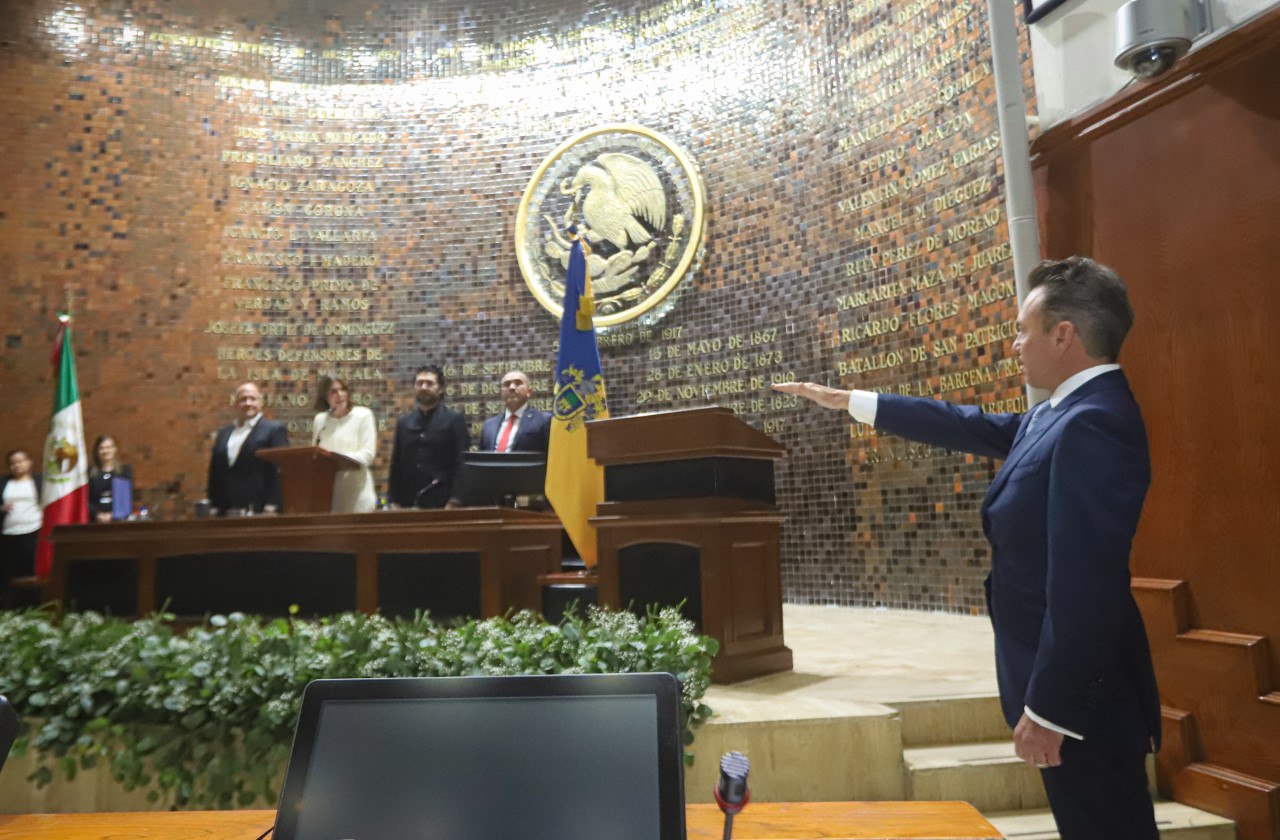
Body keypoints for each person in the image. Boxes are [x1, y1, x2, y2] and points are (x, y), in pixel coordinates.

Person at [775, 256, 1161, 840]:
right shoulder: (1057, 414)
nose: (1013, 345)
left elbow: (1087, 584)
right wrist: (850, 400)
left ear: (1064, 336)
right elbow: (966, 423)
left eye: (1022, 331)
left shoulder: (1095, 423)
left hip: (1086, 705)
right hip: (1072, 694)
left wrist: (1052, 708)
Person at [388, 364, 470, 509]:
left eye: (429, 383)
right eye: (419, 383)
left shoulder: (454, 419)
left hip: (442, 503)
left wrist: (455, 501)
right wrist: (393, 501)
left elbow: (462, 464)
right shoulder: (404, 422)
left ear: (440, 389)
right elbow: (396, 464)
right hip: (408, 503)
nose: (424, 387)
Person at [207, 381, 290, 516]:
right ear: (235, 404)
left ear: (260, 402)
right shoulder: (224, 433)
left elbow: (280, 470)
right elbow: (214, 472)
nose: (248, 403)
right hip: (225, 511)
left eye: (252, 398)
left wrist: (272, 505)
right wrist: (213, 504)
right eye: (243, 399)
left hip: (259, 510)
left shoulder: (273, 430)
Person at [312, 375, 377, 514]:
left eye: (343, 390)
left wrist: (335, 458)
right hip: (329, 497)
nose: (340, 395)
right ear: (325, 396)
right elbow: (315, 456)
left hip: (358, 497)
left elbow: (367, 455)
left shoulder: (363, 415)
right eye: (333, 391)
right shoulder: (320, 420)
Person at [1, 450, 42, 601]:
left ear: (29, 461)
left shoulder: (39, 480)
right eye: (13, 463)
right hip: (9, 533)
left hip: (34, 530)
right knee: (10, 572)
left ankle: (34, 603)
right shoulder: (4, 482)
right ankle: (12, 606)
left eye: (20, 461)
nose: (17, 465)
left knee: (31, 570)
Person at [478, 370, 552, 454]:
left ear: (529, 392)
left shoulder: (544, 420)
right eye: (507, 384)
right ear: (501, 392)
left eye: (518, 383)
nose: (511, 387)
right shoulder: (489, 425)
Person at [88, 435, 133, 522]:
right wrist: (97, 514)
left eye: (109, 447)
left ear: (115, 449)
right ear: (97, 451)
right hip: (95, 520)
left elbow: (126, 497)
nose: (105, 451)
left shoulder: (124, 471)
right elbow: (86, 499)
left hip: (119, 520)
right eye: (102, 448)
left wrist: (113, 515)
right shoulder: (90, 473)